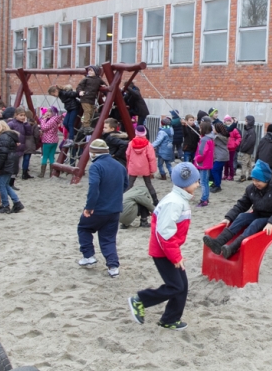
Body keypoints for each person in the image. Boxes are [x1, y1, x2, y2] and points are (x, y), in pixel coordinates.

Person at [128, 162, 200, 330]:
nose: (198, 184)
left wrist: (177, 254)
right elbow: (164, 233)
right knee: (176, 286)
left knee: (182, 286)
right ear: (186, 184)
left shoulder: (179, 199)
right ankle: (140, 299)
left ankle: (170, 319)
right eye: (195, 181)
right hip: (163, 252)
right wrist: (175, 257)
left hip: (170, 249)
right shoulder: (174, 202)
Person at [203, 160, 272, 259]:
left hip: (270, 216)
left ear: (266, 179)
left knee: (256, 223)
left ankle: (233, 248)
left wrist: (271, 222)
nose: (255, 183)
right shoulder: (251, 189)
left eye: (258, 181)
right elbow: (242, 204)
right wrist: (229, 217)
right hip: (258, 213)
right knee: (242, 216)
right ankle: (218, 243)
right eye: (253, 180)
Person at [77, 139, 129, 278]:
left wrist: (89, 207)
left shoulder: (96, 166)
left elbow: (94, 186)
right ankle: (113, 267)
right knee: (108, 238)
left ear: (93, 153)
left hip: (99, 208)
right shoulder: (120, 166)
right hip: (115, 209)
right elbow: (125, 185)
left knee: (84, 228)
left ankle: (88, 256)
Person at [0, 121, 24, 214]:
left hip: (7, 163)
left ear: (1, 128)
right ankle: (17, 202)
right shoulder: (9, 136)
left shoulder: (3, 137)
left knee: (1, 185)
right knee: (5, 184)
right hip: (11, 162)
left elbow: (3, 153)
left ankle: (5, 205)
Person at [126, 125, 159, 206]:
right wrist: (152, 170)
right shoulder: (148, 144)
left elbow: (127, 154)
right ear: (145, 133)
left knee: (129, 184)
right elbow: (151, 158)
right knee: (148, 184)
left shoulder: (131, 143)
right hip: (145, 167)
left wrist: (128, 165)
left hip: (133, 166)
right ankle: (155, 200)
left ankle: (124, 199)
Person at [6, 107, 34, 182]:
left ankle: (12, 181)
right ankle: (10, 181)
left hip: (21, 148)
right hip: (13, 147)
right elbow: (7, 134)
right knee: (12, 165)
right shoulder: (11, 123)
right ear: (16, 115)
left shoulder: (24, 124)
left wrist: (26, 124)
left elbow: (29, 133)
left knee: (18, 167)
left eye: (24, 115)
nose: (23, 117)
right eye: (21, 115)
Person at [76, 65, 107, 130]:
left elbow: (104, 84)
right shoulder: (86, 79)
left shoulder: (98, 79)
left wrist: (104, 86)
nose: (89, 72)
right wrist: (80, 91)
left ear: (95, 72)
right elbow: (79, 86)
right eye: (89, 71)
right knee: (87, 110)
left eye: (91, 71)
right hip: (85, 98)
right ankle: (86, 125)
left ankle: (90, 124)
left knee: (92, 112)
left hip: (92, 99)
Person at [194, 122, 214, 208]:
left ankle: (204, 199)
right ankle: (206, 197)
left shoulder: (205, 140)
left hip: (203, 163)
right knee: (205, 182)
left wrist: (196, 159)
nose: (199, 129)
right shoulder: (209, 138)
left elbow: (202, 153)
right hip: (207, 163)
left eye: (200, 128)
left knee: (203, 182)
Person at [39, 107, 62, 178]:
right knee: (51, 156)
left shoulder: (51, 120)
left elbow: (43, 127)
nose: (48, 113)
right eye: (47, 111)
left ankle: (42, 174)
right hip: (54, 140)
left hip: (47, 140)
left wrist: (43, 120)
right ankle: (51, 173)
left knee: (45, 156)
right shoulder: (55, 120)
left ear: (53, 113)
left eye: (50, 112)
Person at [236, 116, 256, 183]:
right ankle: (250, 175)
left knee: (244, 163)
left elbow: (249, 142)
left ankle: (243, 176)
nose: (245, 122)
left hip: (247, 150)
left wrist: (243, 148)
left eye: (246, 121)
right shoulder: (249, 130)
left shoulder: (251, 131)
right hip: (247, 150)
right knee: (249, 163)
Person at [210, 122, 229, 193]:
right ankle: (217, 184)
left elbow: (211, 138)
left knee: (214, 170)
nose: (213, 129)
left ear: (217, 129)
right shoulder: (222, 136)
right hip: (222, 156)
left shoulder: (217, 137)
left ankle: (217, 185)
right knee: (219, 170)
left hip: (220, 156)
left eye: (214, 128)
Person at [22, 111, 41, 180]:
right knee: (27, 158)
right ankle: (25, 173)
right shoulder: (34, 124)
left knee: (22, 158)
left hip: (22, 141)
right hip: (30, 141)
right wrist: (36, 142)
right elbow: (36, 135)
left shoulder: (21, 123)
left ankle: (22, 171)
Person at [225, 115, 241, 182]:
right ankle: (225, 174)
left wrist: (235, 144)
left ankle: (231, 175)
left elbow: (239, 138)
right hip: (225, 148)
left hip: (232, 148)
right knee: (225, 163)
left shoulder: (234, 130)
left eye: (229, 121)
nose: (228, 122)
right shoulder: (224, 129)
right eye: (227, 121)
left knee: (230, 162)